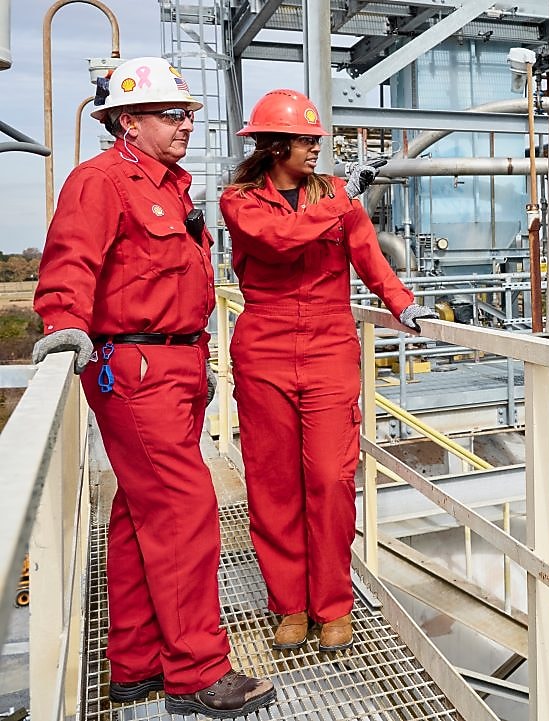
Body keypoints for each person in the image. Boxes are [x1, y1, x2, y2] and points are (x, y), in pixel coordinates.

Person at [31, 57, 276, 717]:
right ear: (127, 121)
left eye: (187, 112)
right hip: (137, 372)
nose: (186, 123)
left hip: (176, 366)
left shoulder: (168, 186)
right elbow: (70, 260)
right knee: (182, 511)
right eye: (172, 113)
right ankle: (198, 673)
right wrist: (63, 322)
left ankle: (136, 664)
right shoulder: (103, 181)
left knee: (141, 515)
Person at [220, 89, 436, 653]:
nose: (316, 148)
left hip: (329, 347)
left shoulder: (338, 197)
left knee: (331, 480)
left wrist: (403, 304)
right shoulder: (240, 201)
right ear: (273, 146)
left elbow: (368, 255)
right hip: (265, 348)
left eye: (317, 140)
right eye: (305, 140)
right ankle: (289, 605)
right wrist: (345, 200)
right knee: (273, 485)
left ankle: (332, 604)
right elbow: (280, 241)